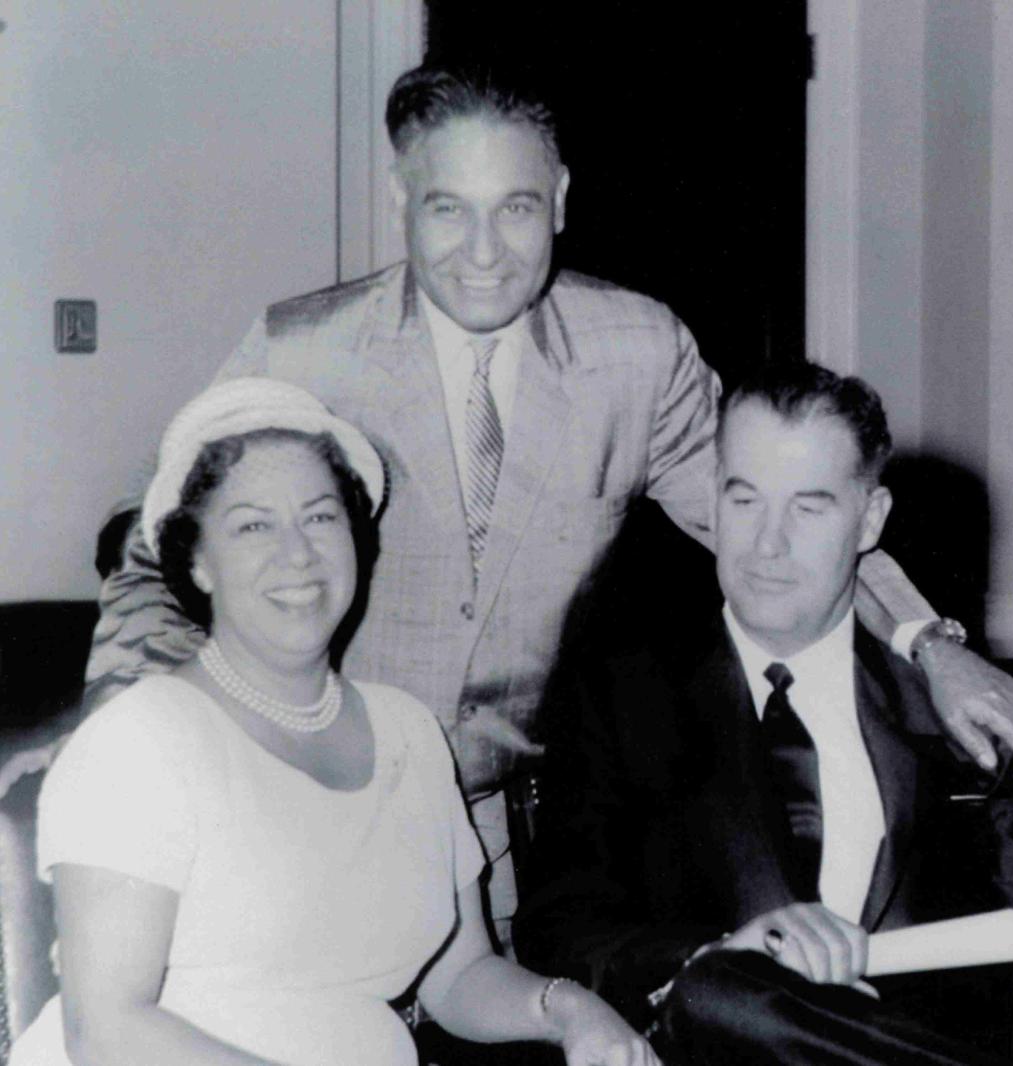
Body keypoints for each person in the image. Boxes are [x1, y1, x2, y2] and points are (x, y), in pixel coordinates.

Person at [71, 65, 1013, 939]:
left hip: (500, 851)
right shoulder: (302, 350)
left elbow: (785, 521)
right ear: (401, 201)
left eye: (518, 208)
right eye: (448, 209)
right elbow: (156, 544)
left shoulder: (639, 352)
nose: (484, 251)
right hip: (295, 812)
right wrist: (129, 741)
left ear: (563, 201)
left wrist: (931, 643)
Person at [513, 364, 1013, 1066]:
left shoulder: (957, 711)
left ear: (871, 519)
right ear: (713, 499)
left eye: (809, 507)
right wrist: (716, 952)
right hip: (711, 1051)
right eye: (744, 501)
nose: (767, 544)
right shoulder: (620, 693)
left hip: (931, 1036)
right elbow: (562, 921)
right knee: (717, 992)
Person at [10, 378, 658, 1066]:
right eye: (253, 525)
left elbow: (458, 974)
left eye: (320, 517)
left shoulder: (409, 733)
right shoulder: (142, 739)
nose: (298, 554)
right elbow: (107, 1030)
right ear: (196, 560)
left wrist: (573, 1011)